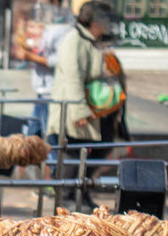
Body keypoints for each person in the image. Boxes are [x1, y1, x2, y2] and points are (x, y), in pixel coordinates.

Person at [47, 1, 118, 207]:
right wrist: (79, 111)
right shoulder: (73, 41)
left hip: (93, 109)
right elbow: (73, 78)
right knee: (72, 153)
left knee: (99, 148)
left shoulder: (93, 41)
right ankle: (67, 198)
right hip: (72, 110)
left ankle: (81, 191)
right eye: (104, 20)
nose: (107, 25)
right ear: (94, 22)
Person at [18, 0, 72, 138]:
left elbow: (59, 60)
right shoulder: (49, 23)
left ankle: (52, 159)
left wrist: (31, 57)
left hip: (52, 92)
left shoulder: (63, 28)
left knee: (50, 135)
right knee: (33, 134)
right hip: (41, 91)